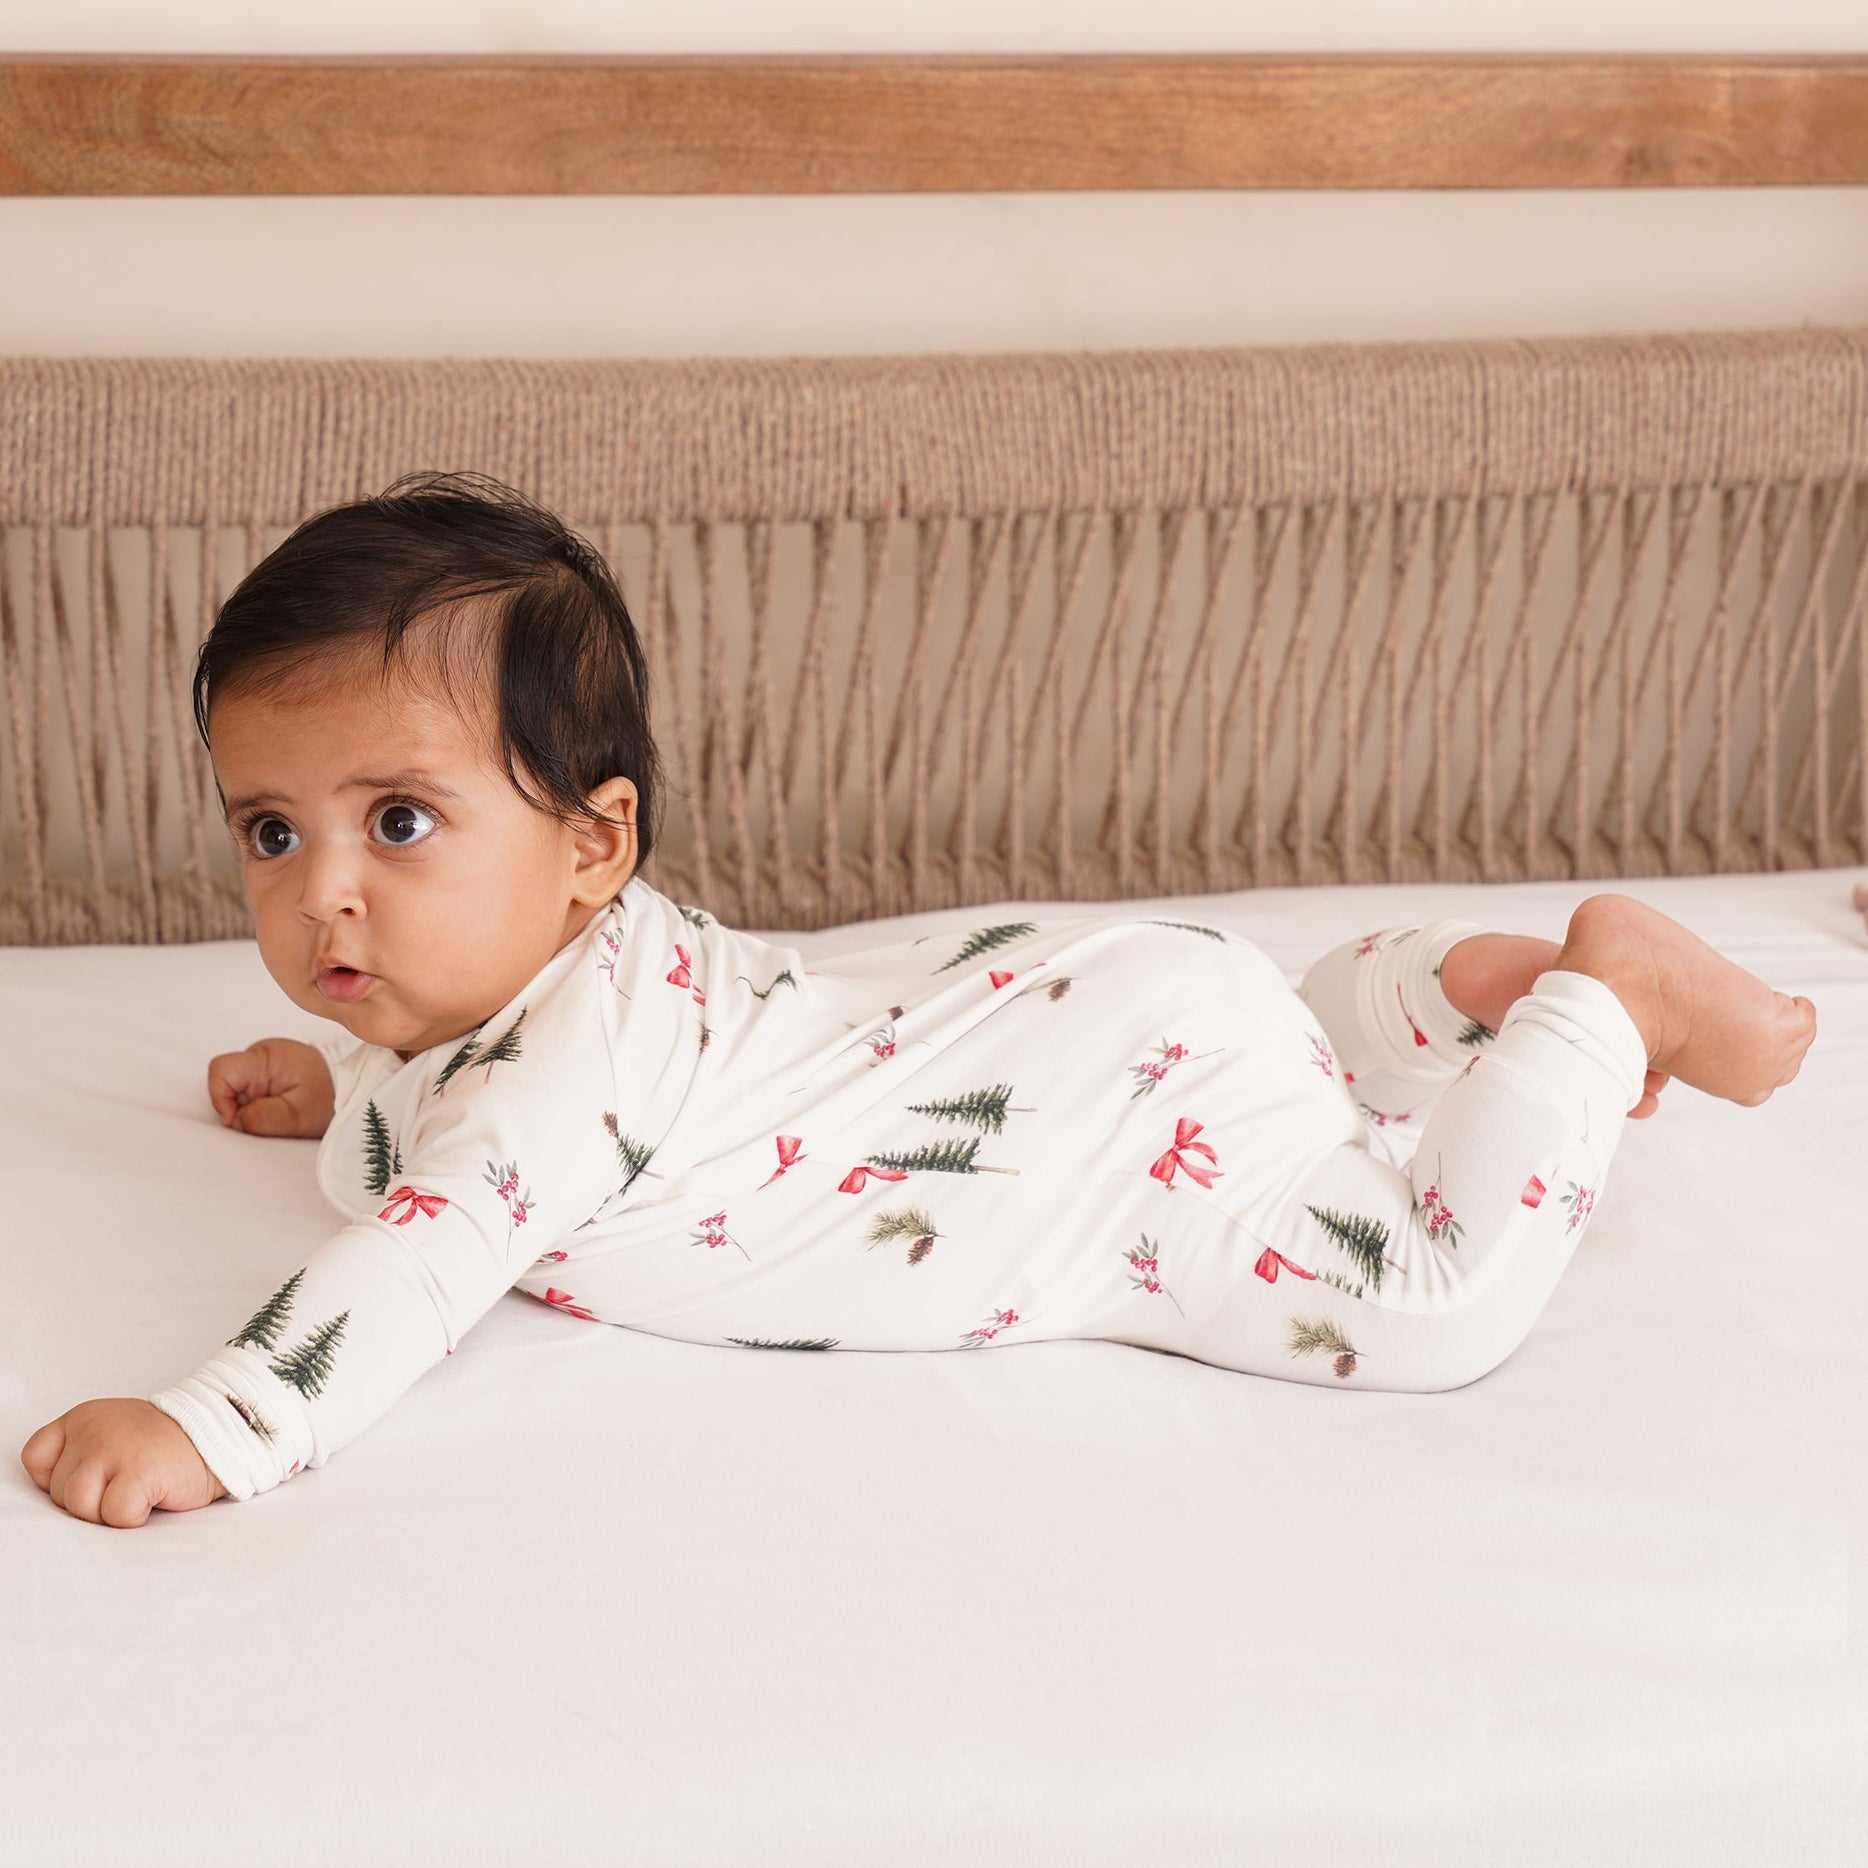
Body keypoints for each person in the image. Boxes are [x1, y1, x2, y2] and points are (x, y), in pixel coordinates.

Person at [18, 473, 1819, 1528]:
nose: (320, 888)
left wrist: (216, 1423)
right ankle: (1409, 1004)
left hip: (1110, 1153)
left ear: (593, 842)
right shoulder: (510, 995)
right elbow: (435, 1108)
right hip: (1109, 999)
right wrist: (344, 1086)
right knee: (1253, 1039)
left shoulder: (560, 1084)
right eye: (270, 828)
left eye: (397, 820)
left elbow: (413, 1266)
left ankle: (1595, 1003)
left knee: (1425, 1306)